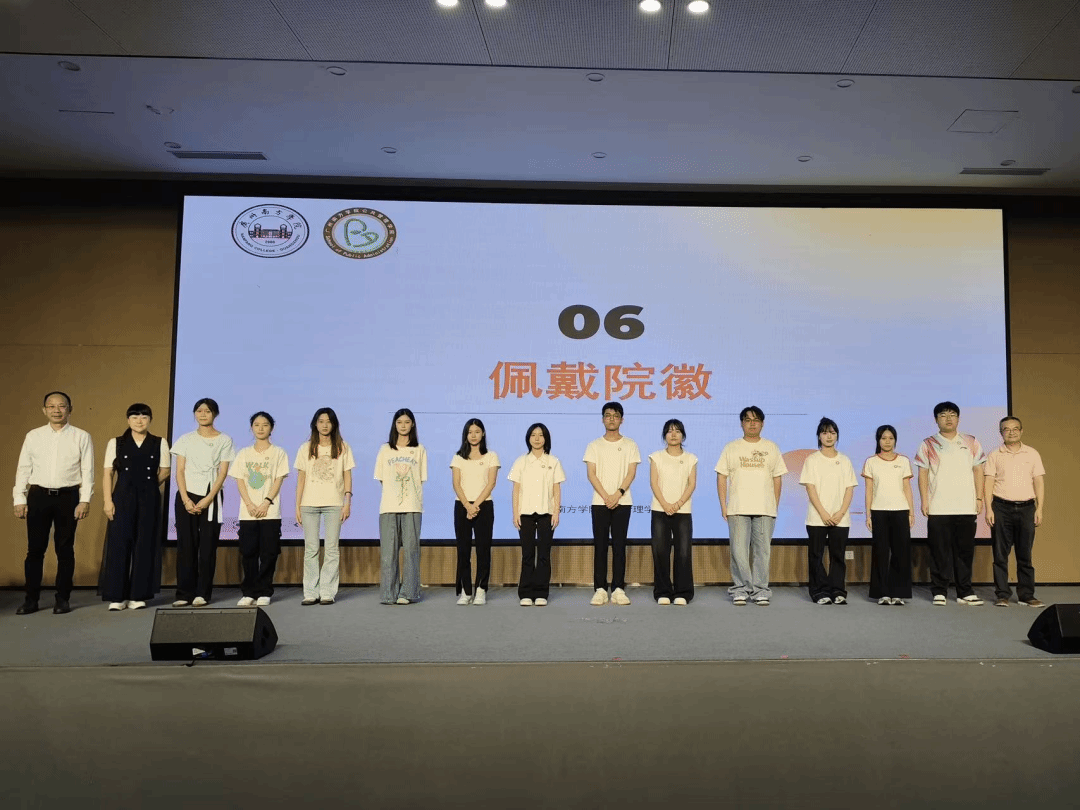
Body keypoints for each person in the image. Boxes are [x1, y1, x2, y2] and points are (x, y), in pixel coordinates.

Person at [12, 391, 95, 615]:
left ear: (70, 409)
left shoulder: (81, 436)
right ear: (44, 410)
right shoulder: (33, 436)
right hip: (38, 496)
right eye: (51, 406)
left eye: (62, 406)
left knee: (65, 549)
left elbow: (87, 470)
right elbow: (23, 468)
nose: (56, 410)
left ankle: (62, 599)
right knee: (35, 550)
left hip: (68, 497)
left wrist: (84, 500)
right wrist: (19, 498)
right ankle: (31, 600)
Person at [914, 401, 986, 606]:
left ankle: (965, 591)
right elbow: (923, 473)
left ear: (958, 418)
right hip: (939, 506)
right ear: (936, 420)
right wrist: (924, 500)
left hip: (966, 505)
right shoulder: (928, 443)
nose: (948, 418)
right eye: (943, 415)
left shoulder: (971, 441)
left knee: (965, 551)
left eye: (952, 415)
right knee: (939, 551)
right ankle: (939, 591)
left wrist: (979, 498)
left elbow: (978, 470)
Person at [715, 406, 788, 606]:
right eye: (747, 420)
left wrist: (774, 505)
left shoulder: (771, 447)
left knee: (762, 551)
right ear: (742, 424)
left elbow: (777, 478)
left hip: (765, 508)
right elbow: (721, 477)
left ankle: (760, 590)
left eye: (756, 420)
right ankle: (740, 589)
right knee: (738, 551)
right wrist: (723, 505)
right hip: (737, 508)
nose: (752, 423)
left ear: (762, 423)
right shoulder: (731, 447)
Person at [100, 403, 170, 610]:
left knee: (145, 544)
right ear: (128, 420)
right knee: (119, 544)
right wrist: (107, 501)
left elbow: (165, 471)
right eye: (135, 417)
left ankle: (138, 595)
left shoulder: (159, 442)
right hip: (122, 497)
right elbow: (108, 473)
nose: (140, 421)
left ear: (150, 420)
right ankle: (116, 596)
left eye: (144, 417)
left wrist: (149, 486)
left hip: (149, 498)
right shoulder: (116, 442)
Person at [171, 397, 235, 607]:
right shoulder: (185, 439)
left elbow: (223, 473)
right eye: (199, 410)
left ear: (214, 414)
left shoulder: (224, 439)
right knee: (186, 546)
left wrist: (208, 498)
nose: (203, 414)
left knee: (207, 547)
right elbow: (180, 470)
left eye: (207, 411)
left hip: (211, 495)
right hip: (186, 496)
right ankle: (184, 593)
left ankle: (202, 593)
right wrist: (185, 499)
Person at [983, 416, 1046, 608]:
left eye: (1015, 429)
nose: (1011, 432)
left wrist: (1040, 508)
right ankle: (1002, 594)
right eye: (1006, 429)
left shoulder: (1032, 453)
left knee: (1025, 554)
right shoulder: (995, 454)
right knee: (1000, 555)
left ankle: (1027, 595)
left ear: (1021, 431)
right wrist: (988, 509)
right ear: (1001, 433)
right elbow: (988, 482)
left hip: (1027, 508)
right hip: (1001, 507)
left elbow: (1038, 481)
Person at [295, 407, 355, 606]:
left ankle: (327, 591)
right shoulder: (306, 448)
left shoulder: (343, 447)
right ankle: (310, 592)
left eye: (328, 421)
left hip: (334, 503)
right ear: (315, 424)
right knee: (311, 549)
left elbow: (347, 475)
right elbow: (301, 479)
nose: (325, 425)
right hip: (309, 503)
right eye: (321, 421)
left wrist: (347, 502)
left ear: (334, 424)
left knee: (331, 549)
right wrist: (297, 505)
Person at [229, 412, 289, 607]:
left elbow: (278, 479)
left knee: (269, 553)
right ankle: (249, 592)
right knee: (248, 552)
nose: (261, 428)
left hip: (270, 511)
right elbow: (240, 480)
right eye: (256, 424)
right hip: (248, 512)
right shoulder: (244, 453)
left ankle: (264, 591)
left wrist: (265, 503)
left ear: (271, 428)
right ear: (251, 428)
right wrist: (249, 504)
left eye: (265, 424)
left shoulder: (278, 452)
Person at [584, 401, 640, 606]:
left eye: (615, 416)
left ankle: (618, 589)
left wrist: (618, 494)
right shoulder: (594, 445)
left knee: (619, 546)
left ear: (621, 420)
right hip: (599, 502)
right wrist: (606, 496)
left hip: (623, 502)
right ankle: (599, 589)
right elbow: (591, 474)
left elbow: (631, 472)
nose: (611, 419)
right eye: (608, 415)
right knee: (600, 546)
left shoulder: (630, 444)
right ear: (602, 419)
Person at [799, 417, 857, 605]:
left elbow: (849, 488)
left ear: (837, 435)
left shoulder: (844, 460)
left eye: (832, 432)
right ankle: (819, 592)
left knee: (838, 556)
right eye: (824, 432)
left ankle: (838, 591)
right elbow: (810, 488)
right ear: (819, 436)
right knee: (816, 556)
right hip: (817, 517)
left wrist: (840, 513)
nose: (829, 436)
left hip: (841, 518)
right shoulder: (812, 460)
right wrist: (823, 513)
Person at [374, 408, 427, 605]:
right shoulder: (385, 449)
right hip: (388, 507)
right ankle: (389, 593)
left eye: (406, 422)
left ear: (412, 424)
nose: (403, 426)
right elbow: (382, 478)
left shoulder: (419, 449)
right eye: (399, 422)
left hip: (412, 506)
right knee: (389, 553)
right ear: (394, 425)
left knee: (411, 551)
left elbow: (420, 479)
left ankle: (408, 593)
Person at [508, 423, 564, 607]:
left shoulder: (553, 461)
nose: (537, 438)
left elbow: (556, 489)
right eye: (533, 435)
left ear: (546, 438)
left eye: (541, 435)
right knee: (527, 554)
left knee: (544, 555)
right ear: (528, 438)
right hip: (525, 513)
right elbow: (516, 490)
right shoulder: (521, 461)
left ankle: (541, 593)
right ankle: (525, 592)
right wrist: (515, 513)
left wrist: (556, 512)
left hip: (547, 513)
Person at [863, 425, 915, 605]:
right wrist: (868, 515)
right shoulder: (871, 461)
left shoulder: (903, 461)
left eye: (891, 438)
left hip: (900, 511)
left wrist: (911, 512)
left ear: (895, 440)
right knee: (881, 552)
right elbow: (869, 490)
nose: (887, 441)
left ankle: (898, 593)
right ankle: (882, 593)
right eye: (884, 438)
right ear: (878, 440)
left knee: (901, 553)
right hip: (879, 511)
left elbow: (907, 488)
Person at [450, 418, 499, 606]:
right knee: (463, 551)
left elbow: (491, 483)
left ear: (483, 434)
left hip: (484, 506)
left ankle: (481, 589)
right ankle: (466, 591)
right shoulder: (458, 457)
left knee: (483, 550)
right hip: (462, 506)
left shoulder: (491, 456)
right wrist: (467, 506)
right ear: (465, 434)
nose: (473, 435)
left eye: (477, 432)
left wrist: (475, 505)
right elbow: (456, 484)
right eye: (470, 432)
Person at [649, 419, 697, 606]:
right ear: (664, 436)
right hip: (659, 510)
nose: (674, 434)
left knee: (683, 552)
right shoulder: (656, 457)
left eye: (677, 431)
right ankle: (662, 591)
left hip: (683, 511)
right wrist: (665, 504)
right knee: (660, 552)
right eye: (669, 431)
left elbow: (691, 484)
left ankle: (683, 593)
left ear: (683, 435)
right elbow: (654, 483)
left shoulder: (691, 458)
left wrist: (677, 504)